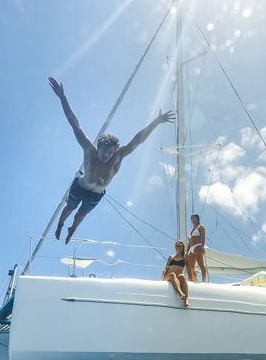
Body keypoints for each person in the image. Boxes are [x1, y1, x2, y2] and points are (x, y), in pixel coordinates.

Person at [49, 77, 175, 244]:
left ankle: (72, 229)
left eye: (110, 152)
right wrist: (62, 98)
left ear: (115, 150)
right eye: (104, 151)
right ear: (98, 147)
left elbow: (138, 140)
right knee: (70, 208)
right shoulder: (89, 150)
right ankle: (60, 224)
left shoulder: (118, 155)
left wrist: (156, 122)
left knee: (81, 215)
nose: (106, 155)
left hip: (96, 194)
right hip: (80, 187)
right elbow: (74, 124)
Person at [162, 240, 190, 307]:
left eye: (179, 246)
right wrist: (162, 278)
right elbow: (165, 268)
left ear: (182, 247)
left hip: (177, 278)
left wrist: (192, 278)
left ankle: (186, 299)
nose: (178, 247)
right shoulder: (171, 257)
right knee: (172, 274)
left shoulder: (185, 257)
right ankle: (180, 293)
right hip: (168, 276)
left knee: (182, 276)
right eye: (176, 246)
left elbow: (189, 268)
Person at [186, 213, 208, 282]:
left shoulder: (200, 227)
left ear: (197, 219)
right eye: (191, 218)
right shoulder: (191, 230)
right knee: (190, 267)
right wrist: (187, 252)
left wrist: (202, 247)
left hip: (197, 247)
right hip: (191, 249)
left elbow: (203, 237)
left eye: (194, 218)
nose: (192, 219)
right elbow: (189, 242)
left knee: (201, 265)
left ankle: (204, 280)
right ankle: (195, 280)